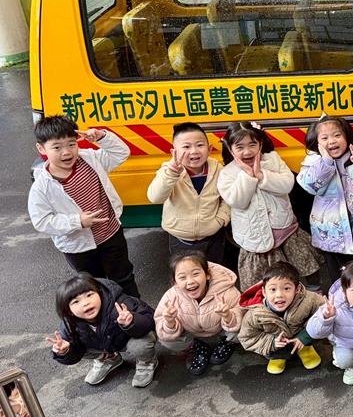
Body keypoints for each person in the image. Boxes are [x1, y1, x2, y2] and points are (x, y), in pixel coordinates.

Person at [29, 115, 141, 298]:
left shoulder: (90, 159)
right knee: (93, 286)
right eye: (57, 147)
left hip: (111, 234)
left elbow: (121, 153)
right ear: (41, 148)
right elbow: (41, 221)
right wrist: (77, 221)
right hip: (78, 247)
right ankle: (105, 315)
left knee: (124, 278)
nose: (66, 152)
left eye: (71, 144)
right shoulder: (42, 186)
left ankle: (136, 313)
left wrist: (102, 137)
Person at [217, 121, 322, 290]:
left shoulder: (272, 159)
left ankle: (314, 294)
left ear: (260, 143)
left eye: (252, 144)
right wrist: (249, 176)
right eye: (240, 147)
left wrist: (261, 175)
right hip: (254, 239)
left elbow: (287, 184)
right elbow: (238, 201)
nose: (247, 151)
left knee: (307, 269)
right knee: (263, 283)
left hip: (286, 231)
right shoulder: (227, 172)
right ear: (230, 148)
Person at [298, 115, 353, 282]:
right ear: (316, 143)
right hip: (331, 234)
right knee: (338, 279)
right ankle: (339, 298)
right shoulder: (313, 162)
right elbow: (310, 186)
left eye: (337, 135)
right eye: (324, 138)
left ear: (347, 136)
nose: (332, 141)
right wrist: (326, 163)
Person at [47, 273, 158, 388]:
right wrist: (64, 352)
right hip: (105, 345)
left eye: (89, 295)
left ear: (99, 293)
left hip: (129, 338)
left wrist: (131, 321)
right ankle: (109, 358)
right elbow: (75, 355)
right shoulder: (70, 324)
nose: (85, 303)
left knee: (140, 346)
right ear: (68, 310)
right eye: (76, 302)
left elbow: (150, 320)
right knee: (74, 345)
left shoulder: (119, 304)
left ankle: (147, 362)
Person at [146, 121, 231, 264]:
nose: (194, 151)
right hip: (180, 239)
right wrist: (172, 172)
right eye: (186, 146)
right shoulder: (168, 172)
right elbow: (155, 197)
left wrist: (221, 219)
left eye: (200, 145)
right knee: (187, 273)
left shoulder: (219, 170)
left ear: (209, 149)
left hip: (213, 237)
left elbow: (228, 198)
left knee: (214, 271)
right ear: (174, 152)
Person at [154, 251, 243, 376]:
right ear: (175, 282)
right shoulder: (171, 298)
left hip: (221, 329)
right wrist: (169, 321)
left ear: (207, 275)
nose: (190, 281)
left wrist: (227, 315)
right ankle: (197, 346)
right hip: (191, 331)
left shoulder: (226, 291)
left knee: (246, 326)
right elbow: (161, 327)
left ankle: (229, 342)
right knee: (166, 338)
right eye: (182, 277)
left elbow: (242, 313)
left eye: (195, 274)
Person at [238, 262, 325, 374]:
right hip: (276, 346)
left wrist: (305, 336)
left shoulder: (310, 300)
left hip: (302, 339)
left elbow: (322, 314)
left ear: (297, 289)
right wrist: (272, 343)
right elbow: (247, 337)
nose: (279, 295)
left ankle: (305, 349)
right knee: (275, 351)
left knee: (317, 323)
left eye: (286, 288)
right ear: (264, 292)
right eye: (273, 289)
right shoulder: (255, 314)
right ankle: (278, 357)